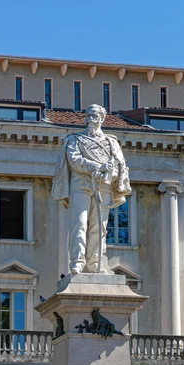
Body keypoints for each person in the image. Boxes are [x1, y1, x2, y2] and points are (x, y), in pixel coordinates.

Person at [52, 104, 132, 274]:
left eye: (94, 116)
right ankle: (77, 262)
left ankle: (95, 264)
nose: (90, 119)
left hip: (103, 186)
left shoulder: (111, 142)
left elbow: (119, 165)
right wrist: (98, 166)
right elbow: (74, 160)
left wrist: (109, 171)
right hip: (80, 184)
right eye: (88, 115)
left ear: (102, 119)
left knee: (99, 227)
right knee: (79, 224)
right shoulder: (74, 139)